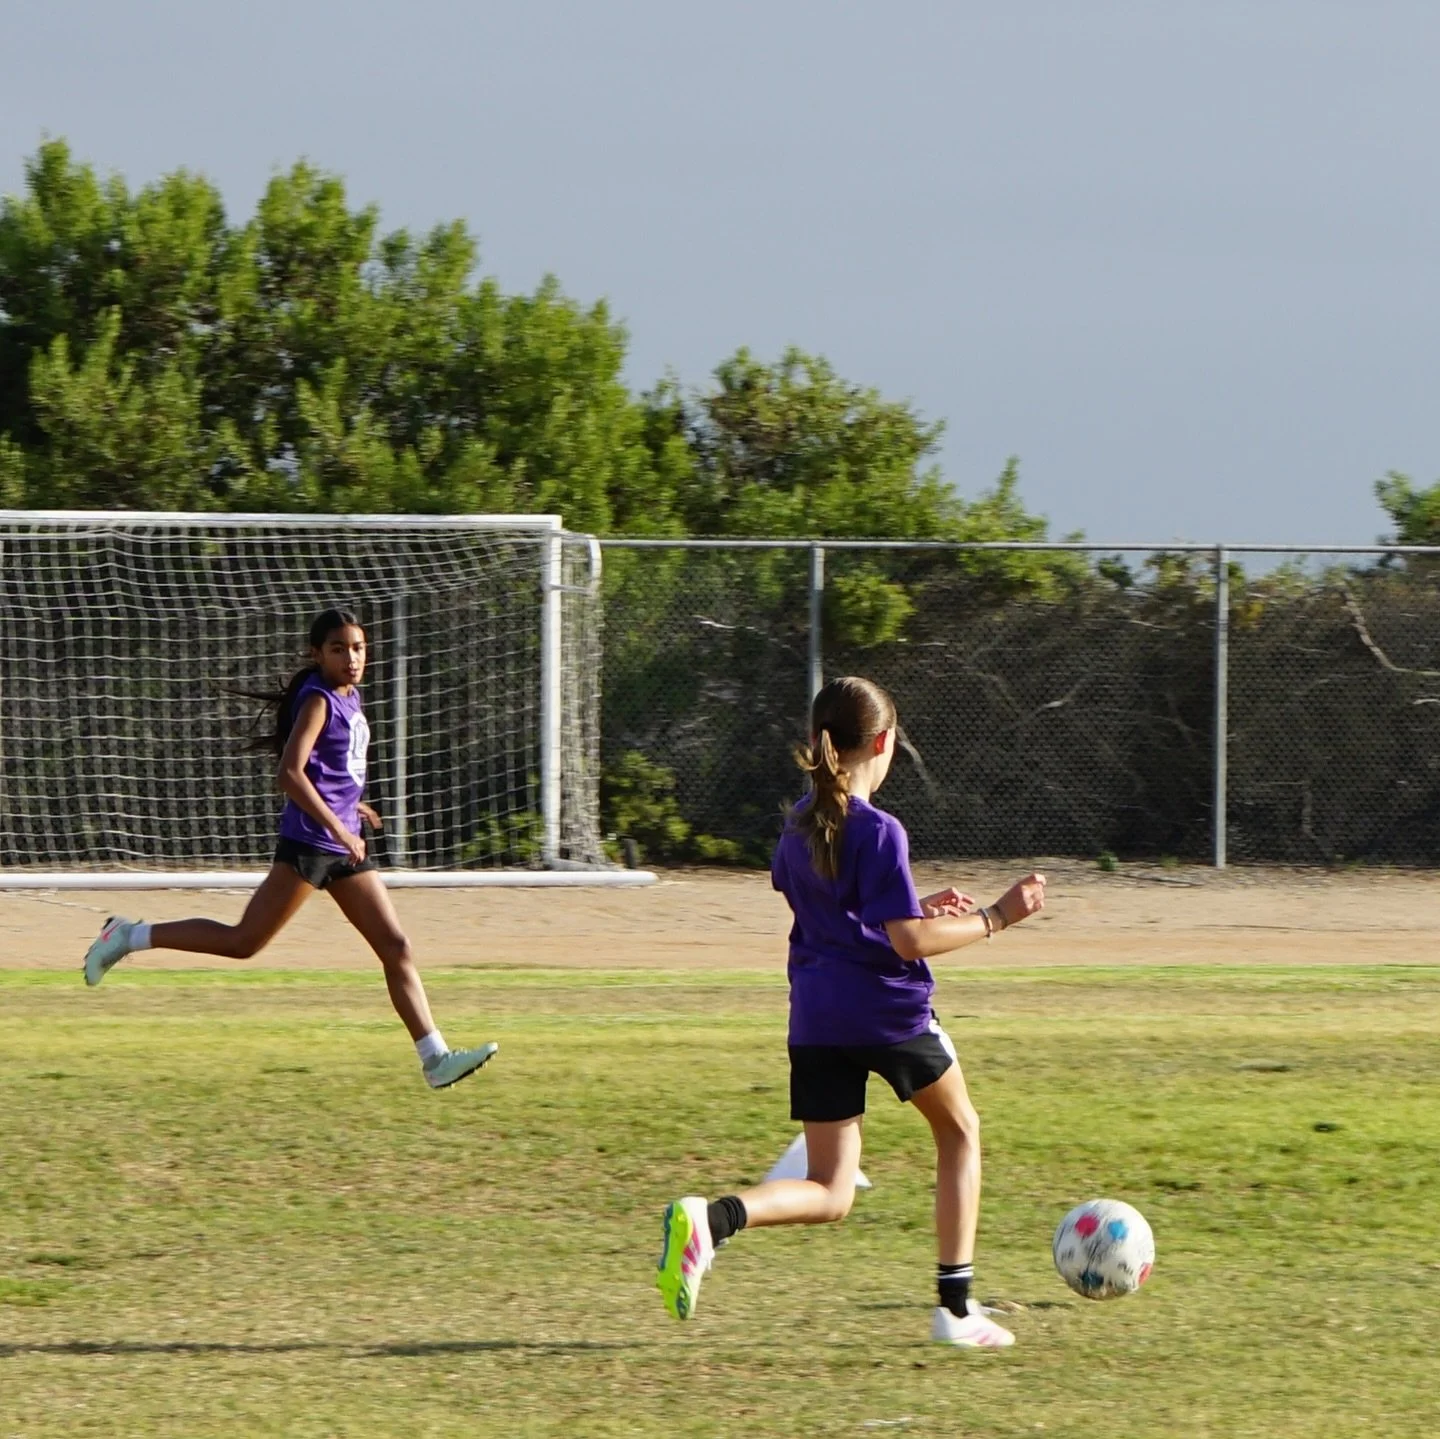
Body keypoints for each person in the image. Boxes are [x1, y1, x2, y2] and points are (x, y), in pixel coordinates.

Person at [655, 675, 1046, 1348]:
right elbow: (906, 942)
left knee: (830, 1189)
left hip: (814, 1018)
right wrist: (997, 916)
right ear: (885, 742)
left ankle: (711, 1218)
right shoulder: (880, 829)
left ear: (818, 742)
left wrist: (914, 902)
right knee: (960, 1132)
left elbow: (833, 907)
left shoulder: (797, 824)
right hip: (887, 1013)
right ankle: (955, 1308)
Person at [82, 607, 498, 1091]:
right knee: (243, 943)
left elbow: (328, 771)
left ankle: (435, 1059)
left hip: (343, 846)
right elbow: (290, 773)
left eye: (358, 648)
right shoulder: (320, 699)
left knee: (396, 946)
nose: (351, 657)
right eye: (339, 648)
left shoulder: (351, 696)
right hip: (311, 845)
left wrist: (353, 807)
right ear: (317, 654)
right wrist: (339, 829)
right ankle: (129, 936)